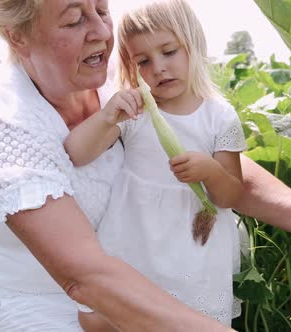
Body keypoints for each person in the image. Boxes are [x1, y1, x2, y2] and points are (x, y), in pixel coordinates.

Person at [0, 0, 291, 331]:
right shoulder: (1, 125)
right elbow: (82, 276)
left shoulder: (116, 80)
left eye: (102, 10)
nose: (102, 31)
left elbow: (208, 160)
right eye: (73, 20)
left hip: (134, 272)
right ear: (18, 38)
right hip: (39, 294)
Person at [63, 0, 246, 328]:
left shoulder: (219, 117)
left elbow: (231, 195)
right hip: (136, 239)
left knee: (186, 320)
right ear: (132, 67)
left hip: (193, 248)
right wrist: (107, 116)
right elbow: (77, 153)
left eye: (169, 52)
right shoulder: (137, 112)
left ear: (193, 44)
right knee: (105, 320)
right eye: (144, 61)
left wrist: (211, 171)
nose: (159, 68)